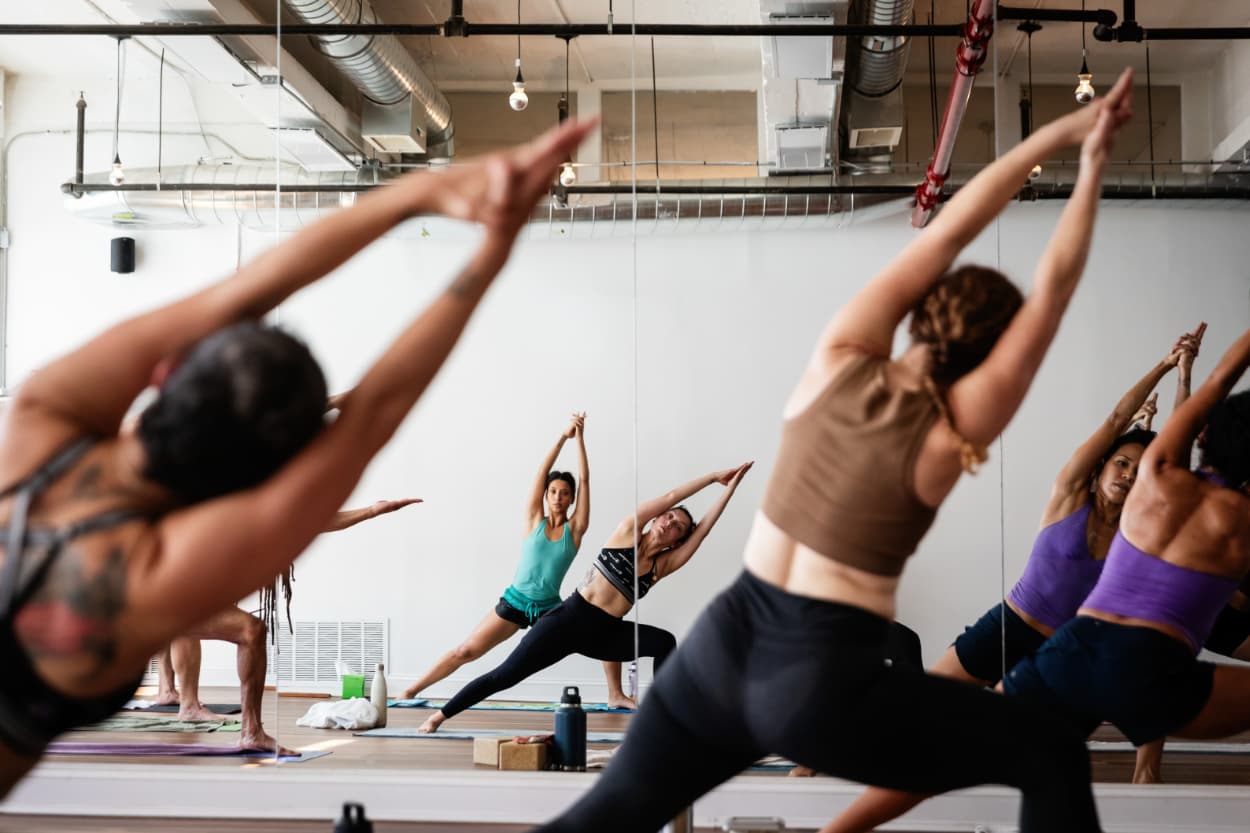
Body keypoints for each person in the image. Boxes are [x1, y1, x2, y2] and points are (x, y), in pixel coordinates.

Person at [532, 70, 1136, 833]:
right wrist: (1092, 167)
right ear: (986, 356)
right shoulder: (953, 428)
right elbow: (1054, 288)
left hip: (723, 643)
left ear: (922, 314)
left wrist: (1061, 137)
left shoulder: (840, 354)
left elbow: (948, 230)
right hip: (817, 676)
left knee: (607, 816)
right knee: (1051, 749)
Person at [0, 117, 597, 798]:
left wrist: (414, 195)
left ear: (166, 374)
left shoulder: (41, 420)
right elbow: (373, 414)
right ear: (265, 477)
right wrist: (494, 244)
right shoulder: (156, 579)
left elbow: (243, 291)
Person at [817, 330, 1199, 829]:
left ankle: (1143, 786)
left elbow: (1176, 453)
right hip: (1010, 627)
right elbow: (1113, 422)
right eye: (1121, 463)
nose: (1127, 474)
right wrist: (1166, 365)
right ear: (1103, 464)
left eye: (1136, 470)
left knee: (1033, 743)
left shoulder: (1138, 531)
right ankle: (823, 755)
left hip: (1065, 653)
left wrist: (1188, 379)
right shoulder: (1069, 495)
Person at [1000, 324, 1250, 781]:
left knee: (982, 748)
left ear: (1205, 436)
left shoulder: (1156, 478)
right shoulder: (1238, 523)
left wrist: (1192, 372)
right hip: (1148, 667)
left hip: (1073, 649)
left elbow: (1212, 389)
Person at [417, 461, 752, 734]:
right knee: (505, 675)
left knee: (665, 642)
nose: (670, 522)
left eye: (679, 526)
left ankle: (661, 716)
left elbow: (704, 530)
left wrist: (732, 490)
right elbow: (670, 495)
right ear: (657, 518)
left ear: (678, 540)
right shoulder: (626, 532)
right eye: (669, 516)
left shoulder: (662, 566)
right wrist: (712, 478)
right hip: (567, 620)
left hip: (606, 633)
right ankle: (440, 716)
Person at [399, 413, 640, 706]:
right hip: (515, 601)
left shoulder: (574, 531)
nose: (557, 497)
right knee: (466, 651)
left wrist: (581, 440)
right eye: (553, 492)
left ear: (572, 499)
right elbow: (541, 472)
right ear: (546, 495)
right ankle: (412, 690)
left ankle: (615, 693)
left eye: (565, 493)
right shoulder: (533, 520)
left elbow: (586, 480)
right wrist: (564, 437)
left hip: (550, 609)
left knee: (602, 629)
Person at [156, 498, 420, 753]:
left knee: (237, 629)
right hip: (163, 590)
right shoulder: (222, 508)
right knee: (248, 630)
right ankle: (243, 728)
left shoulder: (252, 511)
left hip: (181, 593)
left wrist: (372, 511)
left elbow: (314, 522)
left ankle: (207, 712)